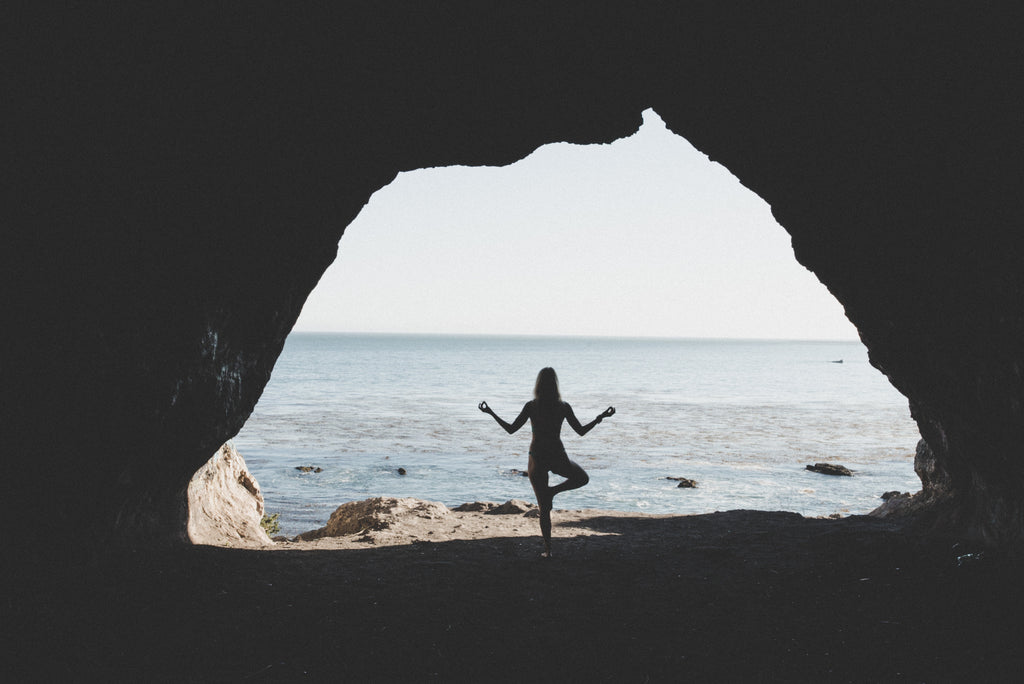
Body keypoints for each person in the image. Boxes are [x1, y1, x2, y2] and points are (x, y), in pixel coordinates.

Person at [479, 367, 615, 557]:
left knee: (544, 508)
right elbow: (581, 431)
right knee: (582, 478)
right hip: (557, 455)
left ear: (538, 385)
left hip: (537, 457)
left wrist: (491, 412)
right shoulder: (563, 406)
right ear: (556, 385)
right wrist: (600, 418)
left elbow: (511, 429)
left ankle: (548, 550)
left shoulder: (532, 406)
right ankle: (553, 493)